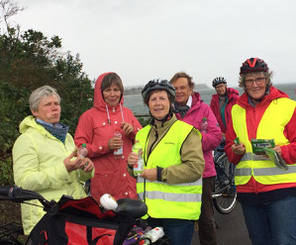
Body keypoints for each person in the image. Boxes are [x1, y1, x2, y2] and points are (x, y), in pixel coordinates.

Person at [224, 57, 296, 245]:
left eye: (259, 79)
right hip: (248, 191)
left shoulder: (286, 106)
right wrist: (236, 150)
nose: (255, 84)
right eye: (249, 80)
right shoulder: (235, 110)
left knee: (284, 241)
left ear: (267, 80)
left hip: (283, 189)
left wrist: (280, 150)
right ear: (243, 83)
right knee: (259, 241)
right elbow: (230, 152)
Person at [127, 79, 204, 245]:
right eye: (153, 99)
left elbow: (195, 168)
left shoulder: (186, 132)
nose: (158, 103)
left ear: (170, 102)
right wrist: (131, 164)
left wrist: (160, 173)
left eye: (162, 98)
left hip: (178, 216)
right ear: (148, 104)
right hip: (149, 214)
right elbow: (137, 172)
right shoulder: (142, 134)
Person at [13, 85, 94, 235]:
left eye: (56, 104)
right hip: (46, 220)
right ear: (34, 111)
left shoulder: (67, 137)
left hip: (72, 215)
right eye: (48, 104)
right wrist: (64, 169)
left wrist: (85, 168)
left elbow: (76, 176)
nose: (54, 108)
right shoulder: (27, 140)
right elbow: (23, 182)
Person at [170, 72, 222, 245]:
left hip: (203, 172)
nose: (178, 91)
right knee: (178, 218)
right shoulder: (167, 111)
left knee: (205, 219)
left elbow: (215, 137)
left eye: (182, 87)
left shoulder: (204, 109)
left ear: (191, 89)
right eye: (175, 88)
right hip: (175, 172)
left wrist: (192, 138)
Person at [74, 72, 141, 202]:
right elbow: (79, 148)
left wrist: (133, 132)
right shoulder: (88, 117)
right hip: (103, 187)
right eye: (107, 90)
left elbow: (144, 141)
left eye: (116, 90)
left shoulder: (128, 113)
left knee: (129, 220)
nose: (112, 94)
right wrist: (105, 146)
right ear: (100, 93)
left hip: (129, 184)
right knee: (105, 221)